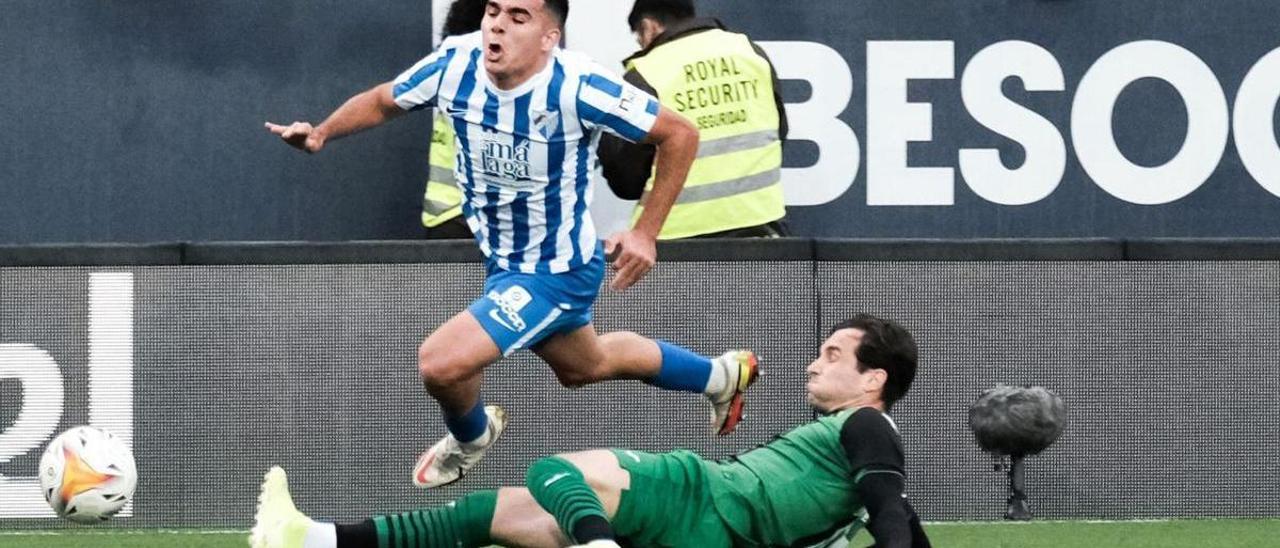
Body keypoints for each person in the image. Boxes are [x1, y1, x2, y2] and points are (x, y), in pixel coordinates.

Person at [264, 0, 759, 490]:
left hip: (555, 270)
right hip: (503, 262)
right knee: (587, 367)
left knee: (441, 362)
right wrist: (322, 133)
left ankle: (473, 435)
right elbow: (383, 100)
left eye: (518, 17)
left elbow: (680, 134)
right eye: (493, 11)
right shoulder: (456, 63)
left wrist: (645, 233)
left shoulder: (578, 84)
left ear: (550, 37)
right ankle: (719, 375)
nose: (497, 26)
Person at [249, 314, 932, 548]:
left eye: (835, 355)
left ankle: (596, 542)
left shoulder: (867, 423)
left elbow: (889, 517)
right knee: (498, 511)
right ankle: (313, 539)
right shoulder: (865, 446)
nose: (816, 362)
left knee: (554, 475)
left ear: (874, 381)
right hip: (710, 535)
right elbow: (896, 517)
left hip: (702, 498)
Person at [598, 0, 790, 239]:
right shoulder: (751, 53)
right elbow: (778, 133)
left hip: (677, 239)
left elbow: (625, 179)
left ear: (649, 28)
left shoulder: (647, 73)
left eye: (639, 37)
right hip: (762, 227)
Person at [421, 0, 487, 240]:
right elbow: (381, 100)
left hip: (446, 218)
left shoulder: (451, 73)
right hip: (464, 219)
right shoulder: (476, 77)